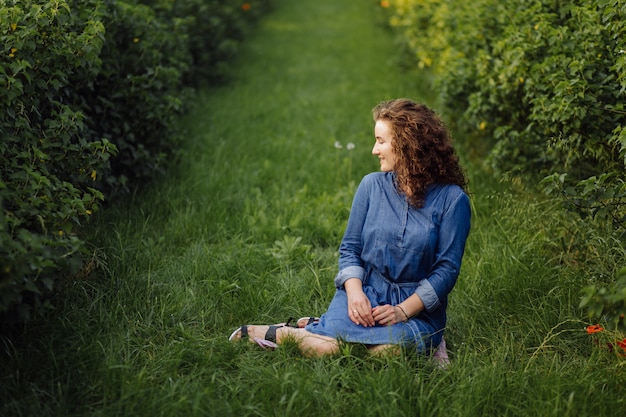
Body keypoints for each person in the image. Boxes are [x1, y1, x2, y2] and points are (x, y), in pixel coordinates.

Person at [229, 98, 471, 358]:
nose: (374, 150)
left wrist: (402, 311)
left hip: (417, 310)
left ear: (408, 144)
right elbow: (350, 248)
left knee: (390, 352)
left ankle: (317, 330)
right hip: (366, 292)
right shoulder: (371, 186)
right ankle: (288, 333)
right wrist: (355, 294)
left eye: (381, 141)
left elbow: (446, 270)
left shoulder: (453, 200)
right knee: (333, 349)